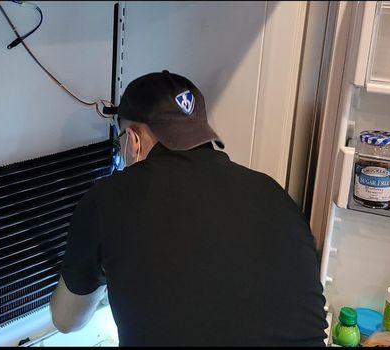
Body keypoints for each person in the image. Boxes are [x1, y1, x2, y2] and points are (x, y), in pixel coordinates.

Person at [50, 71, 327, 346]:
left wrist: (102, 265)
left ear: (133, 141)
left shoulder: (107, 197)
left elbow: (66, 320)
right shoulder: (272, 190)